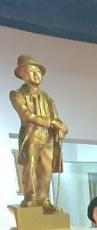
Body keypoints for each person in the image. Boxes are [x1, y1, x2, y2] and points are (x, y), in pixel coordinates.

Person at [9, 55, 68, 211]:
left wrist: (62, 128)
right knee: (30, 166)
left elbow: (56, 117)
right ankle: (30, 197)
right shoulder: (17, 94)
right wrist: (51, 123)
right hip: (31, 135)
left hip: (48, 137)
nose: (36, 75)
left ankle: (44, 199)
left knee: (45, 168)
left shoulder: (47, 98)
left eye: (38, 71)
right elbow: (27, 115)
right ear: (22, 74)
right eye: (31, 71)